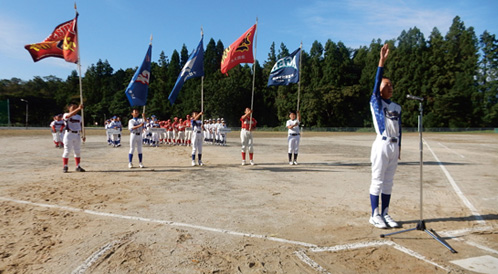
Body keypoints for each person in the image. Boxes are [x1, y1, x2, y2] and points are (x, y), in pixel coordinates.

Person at [368, 43, 402, 229]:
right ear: (379, 89)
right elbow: (376, 84)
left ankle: (385, 213)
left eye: (391, 85)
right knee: (378, 180)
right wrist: (381, 61)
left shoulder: (396, 107)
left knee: (389, 181)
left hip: (394, 145)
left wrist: (399, 148)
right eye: (386, 85)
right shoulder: (376, 102)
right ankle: (374, 214)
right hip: (381, 144)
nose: (390, 87)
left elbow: (399, 128)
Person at [62, 103, 85, 173]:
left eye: (76, 107)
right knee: (67, 151)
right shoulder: (66, 114)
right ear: (69, 108)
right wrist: (79, 108)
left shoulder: (79, 117)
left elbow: (81, 126)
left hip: (77, 134)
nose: (75, 108)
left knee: (77, 151)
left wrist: (83, 135)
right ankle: (65, 166)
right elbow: (69, 116)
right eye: (73, 107)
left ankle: (78, 166)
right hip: (69, 134)